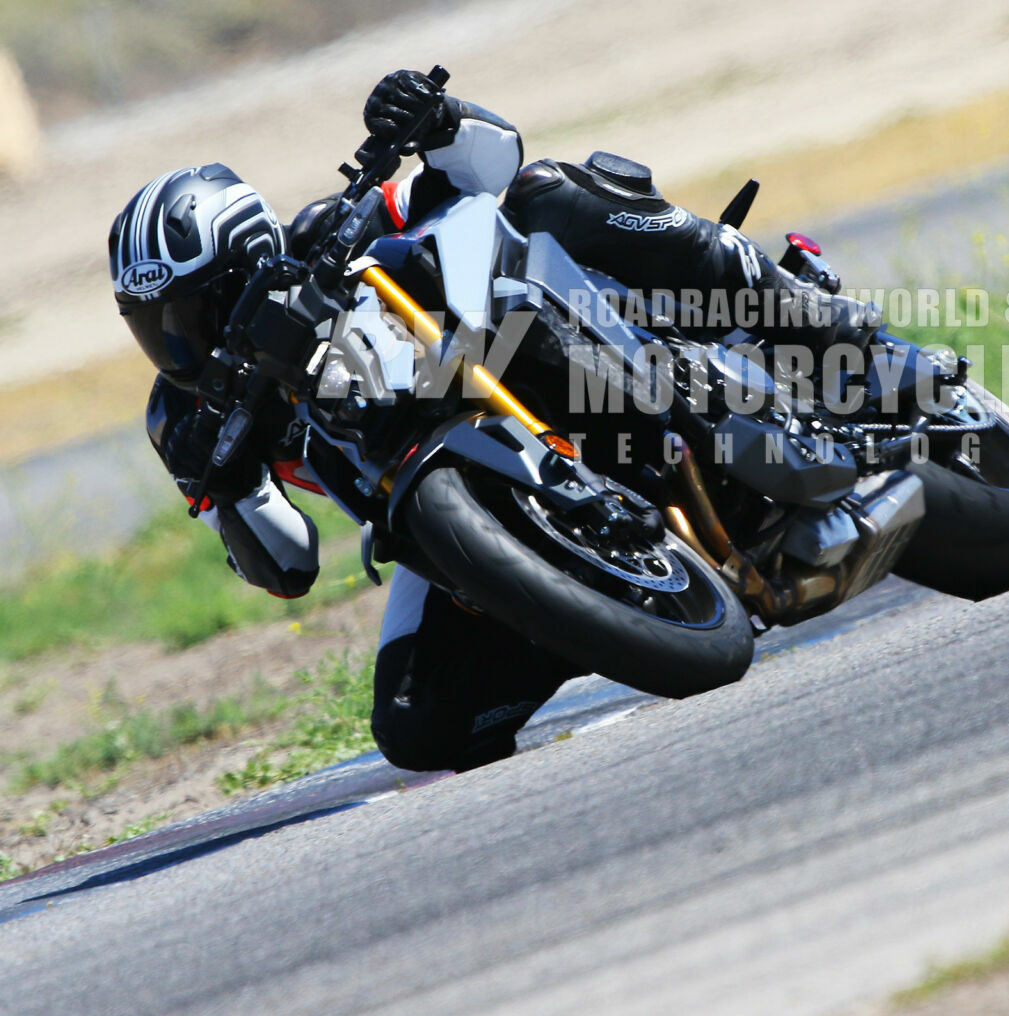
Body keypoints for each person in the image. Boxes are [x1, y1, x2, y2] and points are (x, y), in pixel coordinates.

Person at [107, 69, 879, 773]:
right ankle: (588, 609)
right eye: (154, 324)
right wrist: (230, 485)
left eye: (194, 311)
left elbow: (489, 166)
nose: (181, 342)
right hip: (430, 518)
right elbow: (289, 566)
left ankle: (792, 307)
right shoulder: (188, 422)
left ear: (249, 262)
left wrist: (439, 118)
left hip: (518, 354)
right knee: (417, 729)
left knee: (547, 192)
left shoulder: (327, 233)